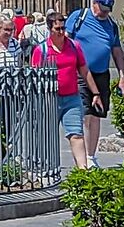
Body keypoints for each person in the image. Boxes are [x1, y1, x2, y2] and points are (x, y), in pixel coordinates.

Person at [65, 0, 124, 165]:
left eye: (108, 10)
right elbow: (66, 40)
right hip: (80, 73)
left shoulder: (111, 25)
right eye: (102, 8)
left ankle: (91, 156)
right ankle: (82, 157)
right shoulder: (79, 16)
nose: (105, 12)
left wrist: (122, 76)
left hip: (101, 74)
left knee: (96, 115)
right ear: (94, 3)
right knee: (85, 114)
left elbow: (117, 51)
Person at [31, 10, 96, 171]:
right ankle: (44, 169)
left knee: (76, 134)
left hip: (71, 98)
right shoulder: (41, 50)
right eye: (57, 29)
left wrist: (95, 92)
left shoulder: (74, 46)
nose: (61, 32)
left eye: (63, 28)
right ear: (49, 29)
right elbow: (34, 76)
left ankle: (83, 170)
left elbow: (84, 70)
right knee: (47, 135)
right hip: (49, 99)